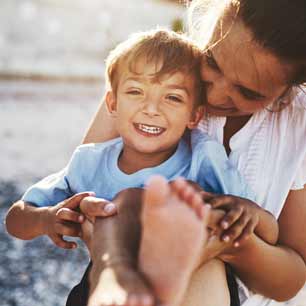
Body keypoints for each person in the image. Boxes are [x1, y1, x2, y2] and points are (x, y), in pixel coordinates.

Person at [5, 29, 272, 306]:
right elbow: (16, 219)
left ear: (194, 115)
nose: (152, 108)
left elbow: (270, 231)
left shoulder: (202, 158)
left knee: (174, 197)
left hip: (195, 286)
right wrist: (47, 218)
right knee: (121, 204)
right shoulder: (90, 162)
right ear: (112, 103)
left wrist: (250, 212)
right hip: (110, 290)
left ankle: (144, 272)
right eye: (136, 92)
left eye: (172, 98)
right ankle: (115, 274)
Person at [65, 1, 306, 306]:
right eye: (212, 62)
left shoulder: (297, 125)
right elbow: (84, 196)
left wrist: (224, 239)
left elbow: (290, 279)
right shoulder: (153, 77)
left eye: (248, 92)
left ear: (289, 90)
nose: (215, 95)